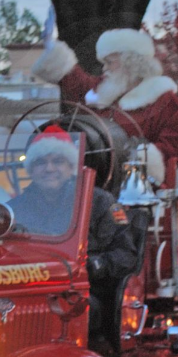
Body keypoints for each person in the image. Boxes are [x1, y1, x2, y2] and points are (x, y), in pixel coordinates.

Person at [10, 126, 138, 339]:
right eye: (41, 162)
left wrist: (94, 265)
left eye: (57, 161)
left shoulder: (102, 203)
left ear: (71, 167)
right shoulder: (14, 210)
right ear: (30, 169)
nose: (49, 168)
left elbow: (127, 255)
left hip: (83, 294)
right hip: (27, 295)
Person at [32, 27, 178, 187]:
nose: (104, 68)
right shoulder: (104, 88)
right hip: (96, 184)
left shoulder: (163, 99)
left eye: (109, 62)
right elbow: (76, 81)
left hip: (139, 189)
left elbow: (174, 147)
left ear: (130, 62)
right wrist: (53, 48)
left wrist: (135, 156)